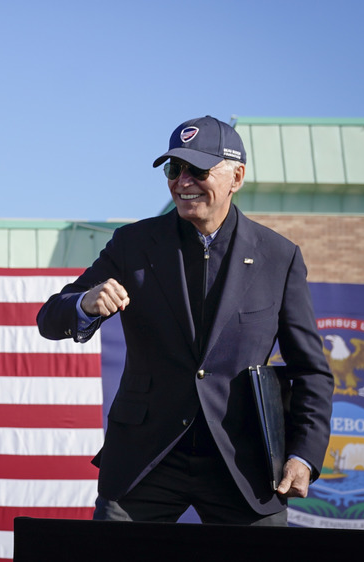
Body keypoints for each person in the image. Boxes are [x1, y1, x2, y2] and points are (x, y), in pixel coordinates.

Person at [37, 116, 333, 525]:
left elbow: (312, 371)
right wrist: (85, 303)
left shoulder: (279, 257)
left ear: (237, 176)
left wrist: (303, 454)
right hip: (145, 458)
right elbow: (50, 316)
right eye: (174, 169)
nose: (183, 181)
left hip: (242, 461)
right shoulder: (133, 244)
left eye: (197, 169)